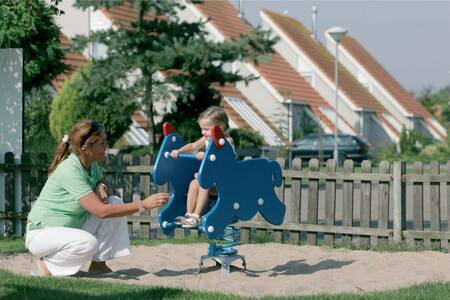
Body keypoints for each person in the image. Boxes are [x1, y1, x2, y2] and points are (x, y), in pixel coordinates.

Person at [25, 120, 170, 277]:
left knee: (115, 202)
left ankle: (98, 265)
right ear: (87, 147)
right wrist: (143, 204)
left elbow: (100, 180)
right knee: (88, 243)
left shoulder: (90, 164)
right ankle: (46, 265)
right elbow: (101, 211)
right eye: (102, 143)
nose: (107, 146)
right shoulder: (70, 170)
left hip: (67, 229)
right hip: (41, 234)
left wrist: (100, 185)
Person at [170, 106, 233, 228]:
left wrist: (205, 155)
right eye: (202, 129)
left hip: (225, 182)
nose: (203, 132)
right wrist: (179, 151)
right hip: (211, 180)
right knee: (194, 183)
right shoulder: (206, 139)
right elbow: (193, 146)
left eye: (207, 129)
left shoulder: (227, 141)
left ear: (221, 127)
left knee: (204, 184)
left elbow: (222, 159)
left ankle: (196, 216)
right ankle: (189, 215)